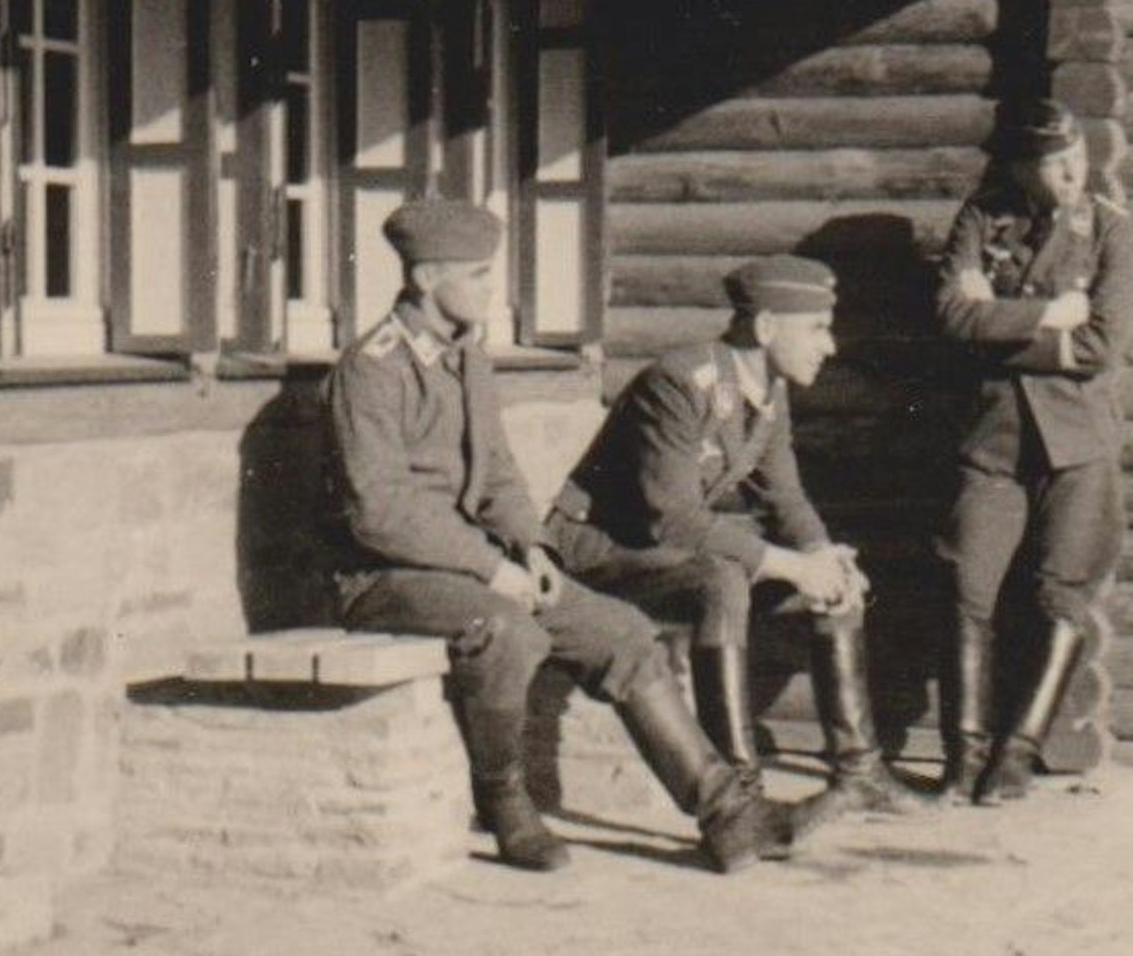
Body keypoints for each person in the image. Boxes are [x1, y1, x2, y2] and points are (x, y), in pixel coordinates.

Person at [323, 198, 797, 874]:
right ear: (427, 279)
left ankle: (728, 814)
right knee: (510, 628)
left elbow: (500, 477)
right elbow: (378, 511)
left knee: (623, 632)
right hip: (378, 578)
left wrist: (533, 549)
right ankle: (504, 799)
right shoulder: (372, 369)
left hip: (468, 566)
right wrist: (492, 570)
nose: (494, 289)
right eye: (480, 275)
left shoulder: (467, 357)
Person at [546, 254, 933, 826]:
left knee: (829, 579)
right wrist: (792, 567)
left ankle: (859, 772)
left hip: (658, 550)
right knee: (720, 578)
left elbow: (784, 498)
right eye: (818, 328)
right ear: (768, 327)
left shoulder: (767, 391)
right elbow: (670, 520)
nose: (829, 346)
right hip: (592, 546)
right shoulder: (679, 382)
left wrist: (821, 557)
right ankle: (742, 790)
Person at [933, 97, 1133, 805]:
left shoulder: (1107, 229)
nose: (1072, 172)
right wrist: (1050, 314)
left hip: (1078, 444)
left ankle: (1016, 753)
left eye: (1076, 156)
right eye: (1054, 162)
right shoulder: (982, 218)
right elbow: (953, 317)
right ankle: (962, 756)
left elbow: (1101, 345)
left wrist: (997, 322)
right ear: (1022, 166)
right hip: (994, 440)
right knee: (967, 588)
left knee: (1060, 593)